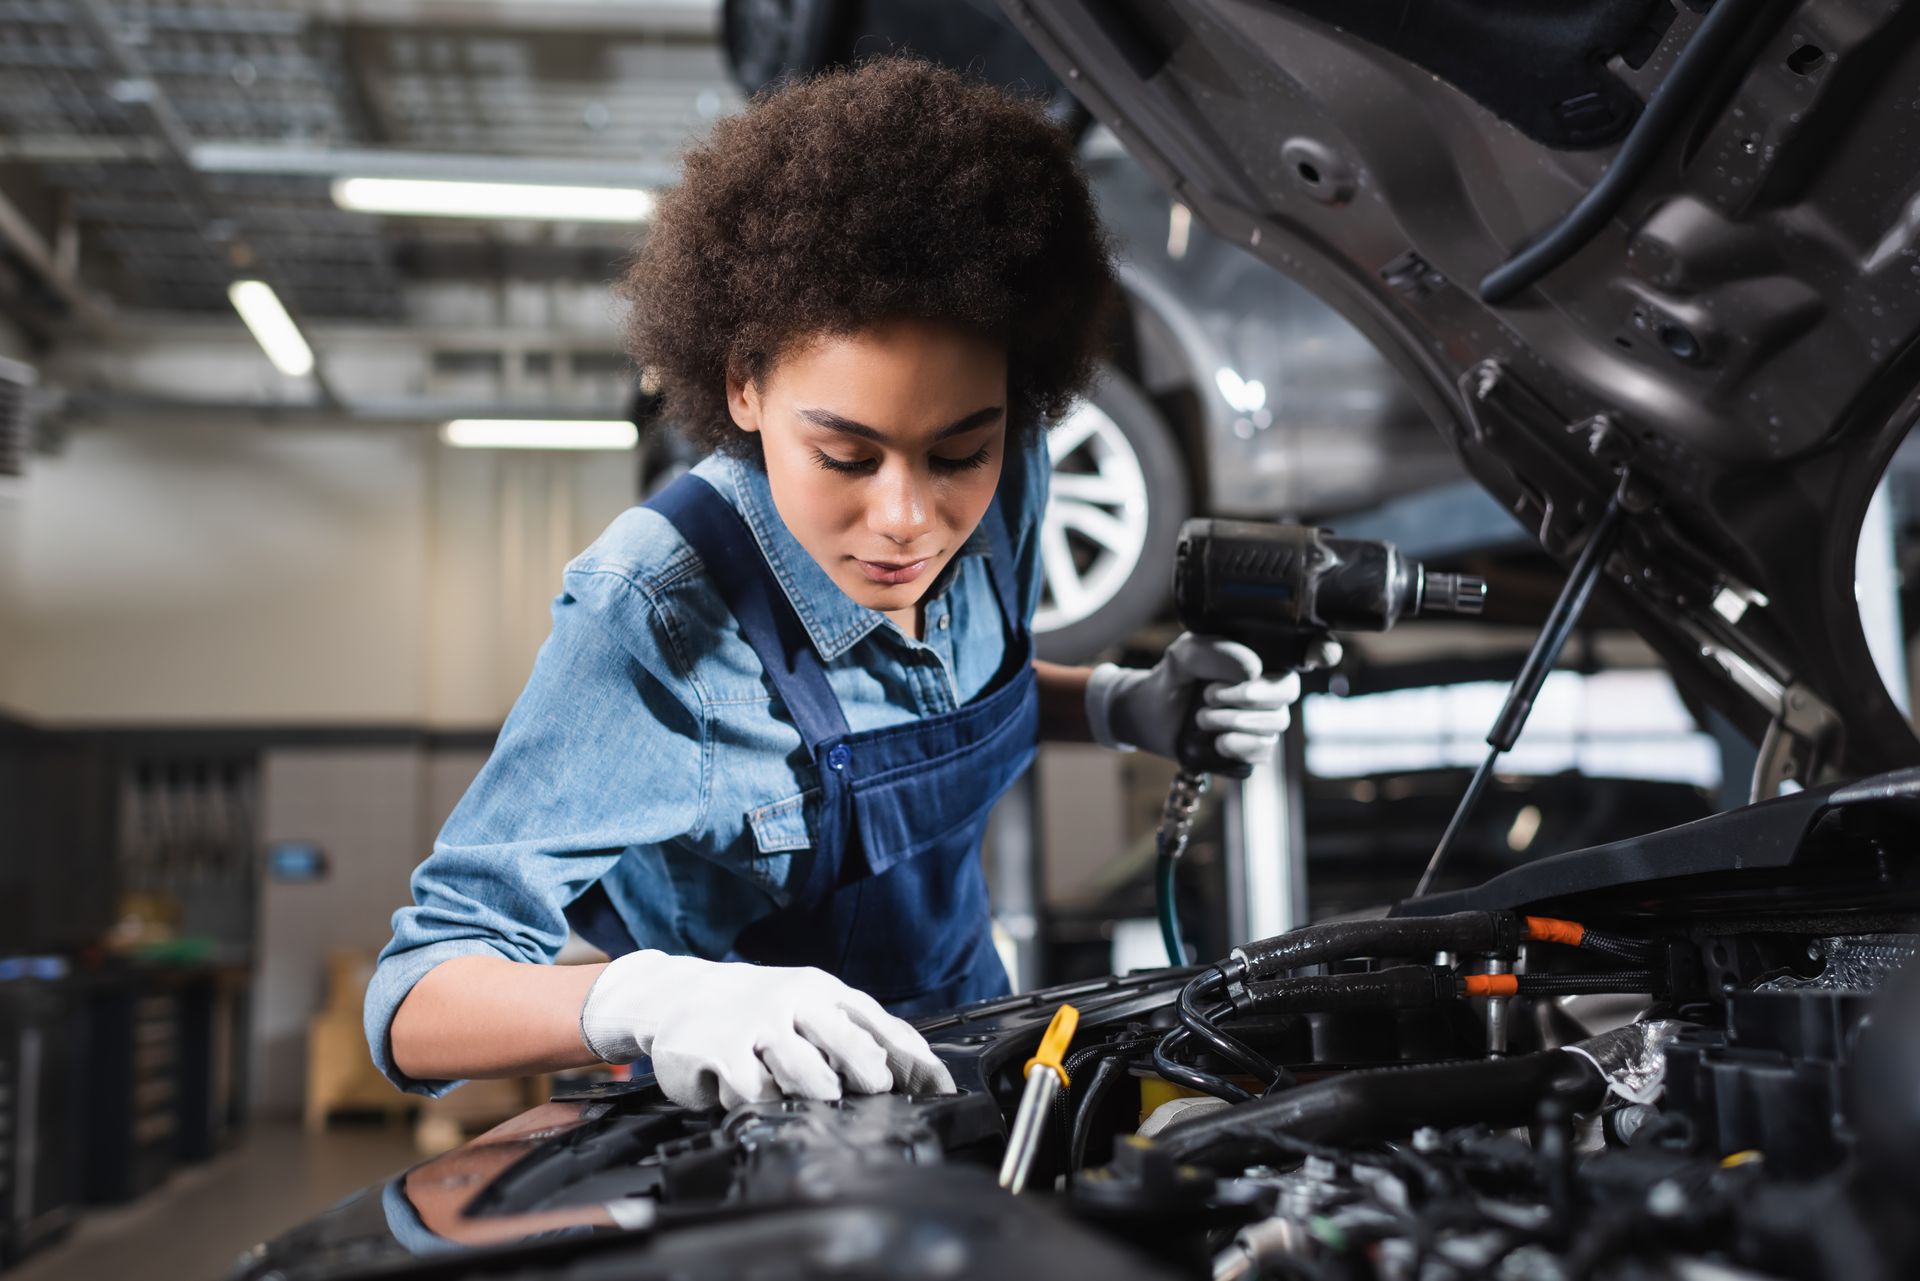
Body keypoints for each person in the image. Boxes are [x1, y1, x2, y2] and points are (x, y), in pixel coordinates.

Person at [366, 57, 1305, 1111]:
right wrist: (646, 998)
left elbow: (947, 699)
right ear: (746, 383)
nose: (908, 519)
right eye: (847, 457)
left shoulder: (1009, 487)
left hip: (975, 1057)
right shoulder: (658, 614)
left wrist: (1122, 705)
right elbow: (414, 995)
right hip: (754, 1130)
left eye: (958, 452)